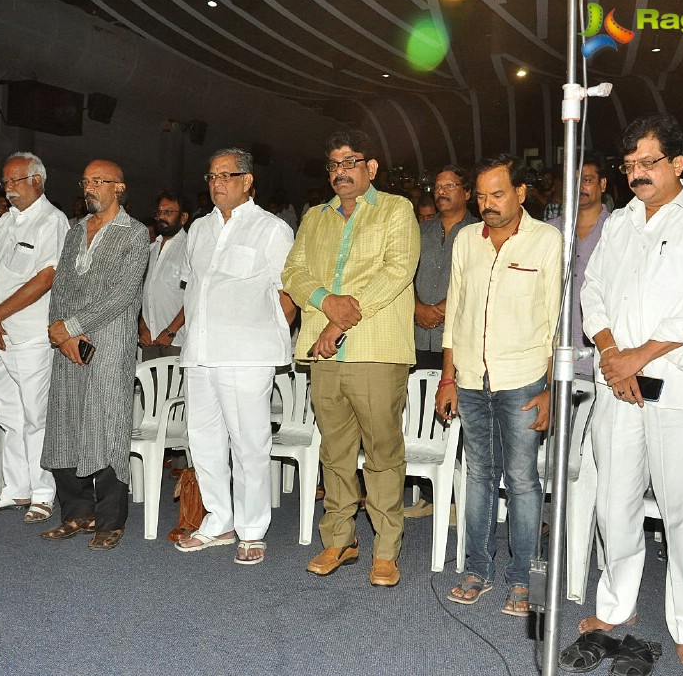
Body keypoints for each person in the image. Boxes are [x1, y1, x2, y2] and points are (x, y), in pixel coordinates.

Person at [569, 114, 683, 669]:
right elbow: (591, 290)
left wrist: (635, 358)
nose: (638, 174)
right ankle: (616, 606)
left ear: (678, 164)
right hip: (617, 386)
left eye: (649, 163)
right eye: (631, 165)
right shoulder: (618, 224)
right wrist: (611, 354)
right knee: (614, 503)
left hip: (678, 386)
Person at [282, 129, 420, 587]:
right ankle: (338, 539)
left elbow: (397, 271)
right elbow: (293, 271)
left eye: (350, 162)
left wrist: (338, 321)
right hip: (324, 354)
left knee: (382, 452)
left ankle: (386, 550)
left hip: (375, 350)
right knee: (335, 451)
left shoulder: (396, 210)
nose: (341, 172)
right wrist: (324, 299)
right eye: (334, 165)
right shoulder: (314, 217)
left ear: (371, 168)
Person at [435, 155, 560, 615]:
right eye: (482, 196)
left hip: (524, 380)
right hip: (470, 379)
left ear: (521, 194)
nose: (488, 204)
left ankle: (522, 576)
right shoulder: (467, 240)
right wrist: (448, 377)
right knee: (479, 476)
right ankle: (478, 568)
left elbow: (558, 322)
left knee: (523, 481)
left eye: (498, 194)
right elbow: (456, 315)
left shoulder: (548, 242)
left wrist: (549, 387)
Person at [174, 148, 295, 565]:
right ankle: (218, 518)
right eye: (211, 176)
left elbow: (287, 295)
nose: (217, 183)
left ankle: (252, 527)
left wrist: (267, 336)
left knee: (249, 443)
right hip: (201, 350)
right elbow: (192, 289)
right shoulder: (198, 230)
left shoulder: (272, 229)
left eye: (227, 175)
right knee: (203, 439)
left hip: (246, 352)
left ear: (247, 181)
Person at [41, 160, 149, 550]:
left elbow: (122, 294)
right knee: (65, 425)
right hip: (69, 345)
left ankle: (109, 521)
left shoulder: (135, 233)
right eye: (86, 181)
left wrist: (70, 327)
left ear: (119, 189)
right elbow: (60, 287)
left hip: (109, 344)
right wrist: (59, 330)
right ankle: (76, 512)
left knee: (105, 428)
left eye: (99, 182)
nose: (90, 188)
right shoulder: (74, 231)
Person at [0, 152, 68, 523]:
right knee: (8, 415)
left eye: (17, 181)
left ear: (38, 181)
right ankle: (15, 489)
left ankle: (43, 494)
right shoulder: (4, 223)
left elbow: (46, 277)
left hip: (29, 336)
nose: (9, 188)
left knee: (35, 417)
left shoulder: (52, 221)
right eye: (5, 182)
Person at [405, 165, 478, 520]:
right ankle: (431, 494)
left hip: (459, 340)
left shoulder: (480, 231)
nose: (442, 191)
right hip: (420, 334)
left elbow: (477, 284)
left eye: (450, 185)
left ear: (466, 191)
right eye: (438, 185)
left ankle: (455, 497)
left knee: (458, 413)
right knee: (423, 413)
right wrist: (419, 307)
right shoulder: (421, 231)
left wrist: (441, 309)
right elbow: (404, 275)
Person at [546, 152, 611, 378]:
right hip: (552, 358)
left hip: (601, 360)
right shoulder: (549, 232)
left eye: (587, 180)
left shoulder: (618, 230)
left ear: (602, 184)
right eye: (573, 181)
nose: (579, 187)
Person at [138, 191, 188, 360]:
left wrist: (171, 331)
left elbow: (193, 296)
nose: (161, 216)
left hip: (176, 342)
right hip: (149, 339)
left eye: (168, 212)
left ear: (183, 217)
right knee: (150, 385)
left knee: (173, 387)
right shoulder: (151, 248)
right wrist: (142, 327)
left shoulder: (189, 249)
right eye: (159, 212)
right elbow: (143, 292)